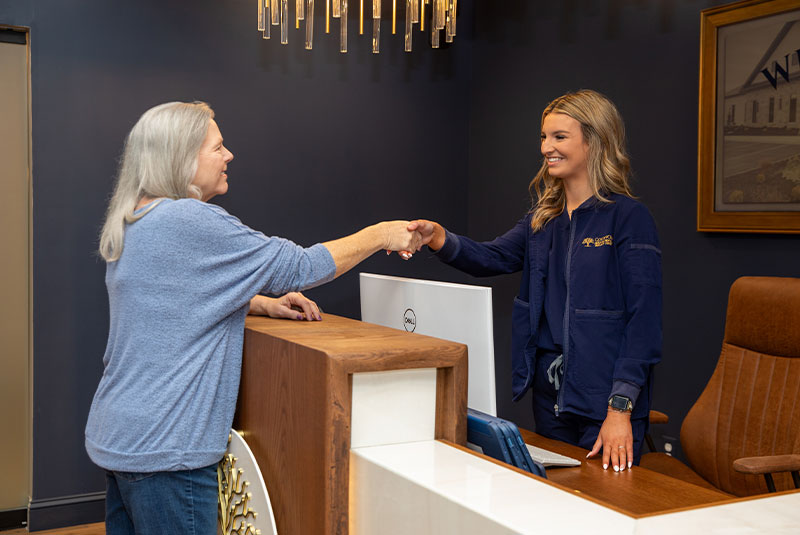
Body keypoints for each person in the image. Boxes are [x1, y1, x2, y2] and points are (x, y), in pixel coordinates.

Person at [85, 101, 424, 535]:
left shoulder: (137, 218)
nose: (229, 156)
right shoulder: (191, 219)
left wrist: (260, 302)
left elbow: (170, 300)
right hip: (169, 451)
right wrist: (380, 234)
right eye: (217, 147)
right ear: (183, 159)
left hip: (121, 437)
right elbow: (302, 266)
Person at [406, 90, 662, 473]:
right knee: (556, 499)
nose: (546, 148)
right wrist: (437, 236)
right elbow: (490, 257)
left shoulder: (627, 218)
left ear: (595, 141)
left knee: (605, 510)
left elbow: (643, 321)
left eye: (560, 137)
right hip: (551, 396)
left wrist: (620, 409)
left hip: (604, 400)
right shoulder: (542, 221)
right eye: (544, 137)